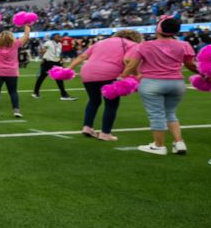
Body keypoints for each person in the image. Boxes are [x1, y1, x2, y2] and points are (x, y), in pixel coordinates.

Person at [121, 17, 199, 155]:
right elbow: (191, 65)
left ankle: (159, 146)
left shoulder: (144, 45)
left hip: (152, 83)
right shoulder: (184, 44)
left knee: (156, 115)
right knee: (170, 113)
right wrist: (204, 74)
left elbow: (132, 65)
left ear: (158, 28)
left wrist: (120, 78)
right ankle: (179, 142)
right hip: (176, 83)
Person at [66, 29, 143, 140]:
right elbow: (128, 61)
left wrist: (68, 69)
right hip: (110, 73)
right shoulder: (132, 45)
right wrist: (135, 75)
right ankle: (105, 133)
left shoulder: (102, 42)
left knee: (94, 101)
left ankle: (87, 127)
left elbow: (82, 57)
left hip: (87, 72)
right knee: (111, 104)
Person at [0, 21, 30, 118]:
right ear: (11, 37)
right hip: (12, 72)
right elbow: (26, 35)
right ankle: (16, 111)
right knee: (13, 92)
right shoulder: (15, 44)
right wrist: (26, 24)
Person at [33, 33, 75, 100]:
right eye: (57, 36)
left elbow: (59, 54)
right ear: (53, 38)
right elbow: (43, 50)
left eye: (60, 36)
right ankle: (35, 92)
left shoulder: (60, 44)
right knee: (41, 78)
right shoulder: (48, 42)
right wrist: (42, 53)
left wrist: (61, 61)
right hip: (48, 63)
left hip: (56, 63)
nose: (59, 37)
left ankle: (64, 95)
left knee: (59, 78)